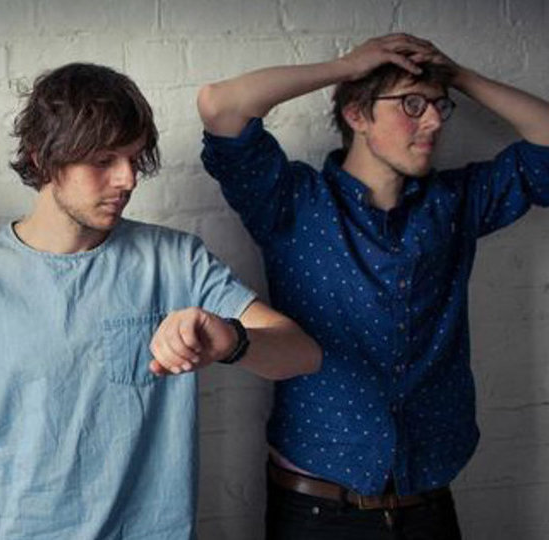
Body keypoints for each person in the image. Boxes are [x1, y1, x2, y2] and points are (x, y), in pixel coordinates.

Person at [0, 62, 322, 540]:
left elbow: (301, 353)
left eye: (133, 158)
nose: (127, 179)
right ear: (43, 159)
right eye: (103, 160)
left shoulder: (176, 260)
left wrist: (230, 340)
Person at [197, 33, 549, 539]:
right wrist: (346, 67)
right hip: (316, 509)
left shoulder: (455, 203)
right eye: (412, 104)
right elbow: (220, 105)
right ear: (357, 115)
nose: (433, 121)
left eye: (438, 106)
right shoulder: (293, 202)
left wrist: (456, 76)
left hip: (427, 501)